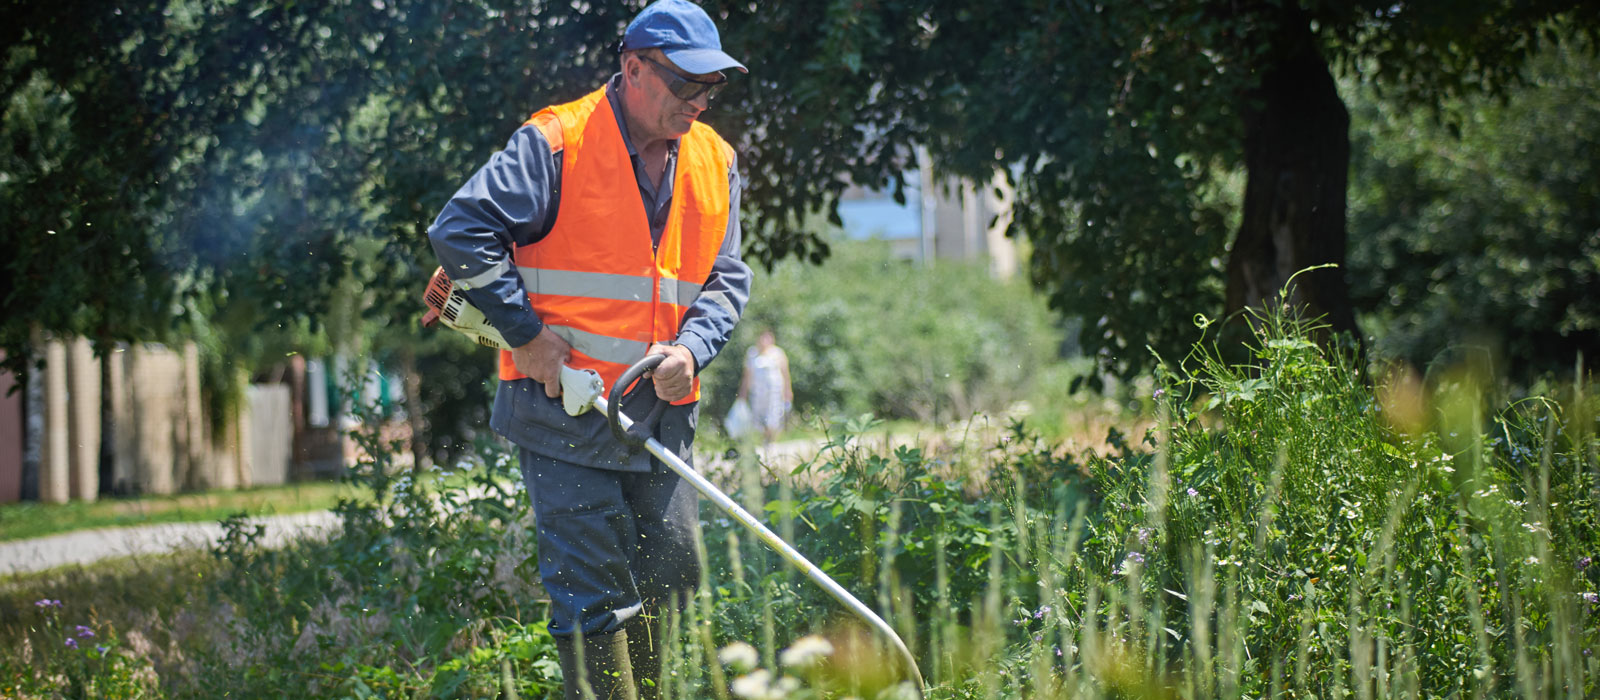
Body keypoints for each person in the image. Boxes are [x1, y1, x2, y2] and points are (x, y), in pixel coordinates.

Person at [426, 2, 750, 698]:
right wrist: (528, 337)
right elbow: (460, 230)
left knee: (672, 585)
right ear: (633, 67)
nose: (698, 101)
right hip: (563, 416)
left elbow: (726, 279)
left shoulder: (716, 161)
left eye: (709, 87)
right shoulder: (556, 144)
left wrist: (692, 351)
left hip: (660, 416)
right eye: (684, 84)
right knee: (598, 601)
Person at [738, 328, 792, 445]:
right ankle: (764, 439)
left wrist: (788, 392)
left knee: (773, 417)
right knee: (757, 418)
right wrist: (743, 394)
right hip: (757, 393)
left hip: (774, 393)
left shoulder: (778, 353)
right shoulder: (752, 353)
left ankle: (771, 440)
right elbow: (746, 375)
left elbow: (785, 374)